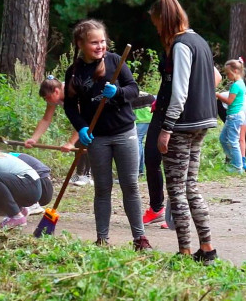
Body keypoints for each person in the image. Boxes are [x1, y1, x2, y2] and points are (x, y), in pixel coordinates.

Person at [63, 19, 152, 251]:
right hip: (98, 138)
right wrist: (81, 127)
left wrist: (119, 92)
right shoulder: (74, 72)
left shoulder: (115, 61)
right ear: (80, 44)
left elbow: (133, 89)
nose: (100, 46)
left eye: (102, 41)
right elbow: (70, 107)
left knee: (130, 185)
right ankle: (102, 239)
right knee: (102, 188)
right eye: (94, 42)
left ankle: (140, 239)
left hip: (125, 133)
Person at [150, 0, 218, 263]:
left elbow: (178, 93)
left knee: (176, 190)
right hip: (203, 122)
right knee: (191, 186)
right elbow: (215, 76)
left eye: (156, 24)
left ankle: (184, 251)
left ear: (164, 21)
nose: (156, 29)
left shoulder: (180, 45)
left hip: (182, 124)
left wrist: (166, 128)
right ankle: (208, 248)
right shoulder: (199, 40)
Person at [24, 76, 92, 186]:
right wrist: (34, 138)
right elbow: (46, 119)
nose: (47, 100)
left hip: (100, 115)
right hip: (83, 120)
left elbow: (84, 121)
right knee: (79, 141)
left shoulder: (74, 93)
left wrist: (70, 143)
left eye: (47, 97)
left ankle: (88, 175)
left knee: (86, 140)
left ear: (56, 91)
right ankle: (79, 174)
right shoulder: (54, 95)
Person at [0, 152, 50, 216]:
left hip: (40, 184)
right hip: (43, 185)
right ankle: (26, 206)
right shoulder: (4, 156)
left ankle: (31, 206)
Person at [217, 91, 246, 171]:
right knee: (233, 134)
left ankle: (239, 161)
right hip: (223, 104)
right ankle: (235, 163)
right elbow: (241, 139)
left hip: (237, 107)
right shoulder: (245, 114)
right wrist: (242, 160)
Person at [216, 59, 246, 173]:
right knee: (223, 139)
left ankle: (238, 167)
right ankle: (234, 161)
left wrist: (218, 95)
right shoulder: (240, 83)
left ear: (235, 71)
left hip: (234, 116)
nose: (227, 76)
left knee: (233, 141)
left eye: (228, 73)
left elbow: (229, 101)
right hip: (232, 116)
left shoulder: (236, 85)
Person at [131, 91, 155, 175]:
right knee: (140, 143)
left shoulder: (129, 96)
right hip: (150, 117)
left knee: (137, 142)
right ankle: (140, 170)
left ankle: (136, 170)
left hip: (140, 120)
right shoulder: (146, 94)